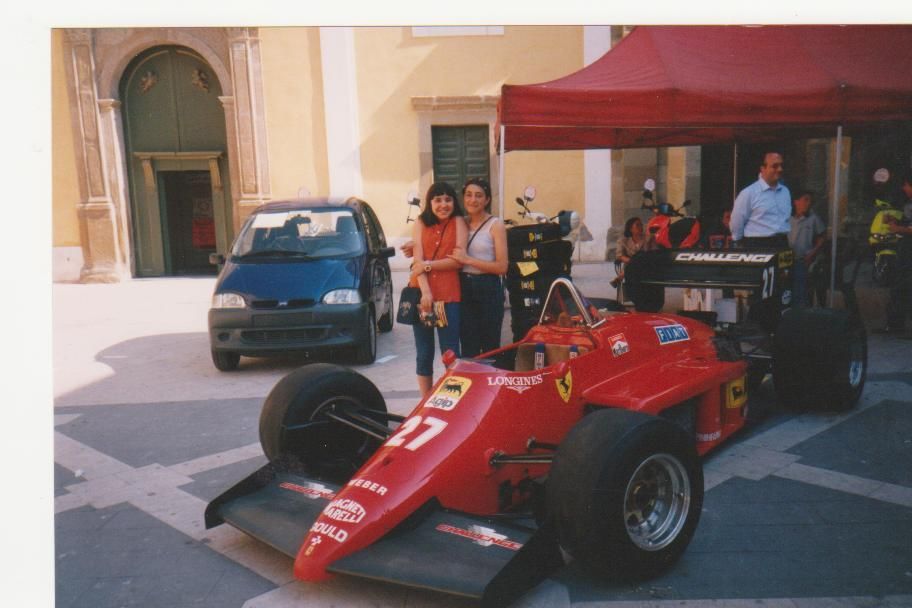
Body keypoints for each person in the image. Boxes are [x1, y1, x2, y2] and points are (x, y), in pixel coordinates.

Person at [409, 182, 467, 395]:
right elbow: (417, 260)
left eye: (448, 200)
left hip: (448, 295)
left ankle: (452, 398)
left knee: (450, 351)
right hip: (421, 295)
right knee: (424, 353)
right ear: (429, 202)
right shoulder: (420, 222)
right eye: (438, 200)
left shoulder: (458, 222)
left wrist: (428, 265)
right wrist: (425, 292)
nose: (443, 205)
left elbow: (458, 261)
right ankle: (426, 401)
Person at [446, 178, 508, 358]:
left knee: (490, 345)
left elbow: (502, 266)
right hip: (463, 288)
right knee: (468, 345)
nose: (473, 200)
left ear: (487, 200)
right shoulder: (459, 223)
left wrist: (468, 260)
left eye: (479, 196)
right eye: (469, 195)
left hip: (488, 288)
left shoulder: (495, 225)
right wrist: (414, 245)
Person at [730, 151, 792, 249]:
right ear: (762, 168)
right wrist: (738, 241)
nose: (780, 169)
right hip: (757, 244)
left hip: (782, 243)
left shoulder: (785, 191)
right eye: (775, 166)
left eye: (781, 165)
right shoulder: (749, 193)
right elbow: (736, 221)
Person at [881, 171, 912, 333]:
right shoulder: (908, 204)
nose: (904, 188)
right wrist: (895, 222)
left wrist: (897, 228)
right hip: (905, 250)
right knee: (899, 286)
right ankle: (895, 324)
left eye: (906, 185)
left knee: (904, 286)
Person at [788, 190, 826, 308]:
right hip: (787, 261)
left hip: (804, 261)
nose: (808, 203)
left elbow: (822, 238)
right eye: (805, 200)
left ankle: (803, 312)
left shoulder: (813, 219)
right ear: (796, 201)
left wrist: (812, 254)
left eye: (810, 201)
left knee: (802, 292)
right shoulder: (788, 219)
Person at [611, 217, 652, 288]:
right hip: (631, 266)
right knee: (633, 262)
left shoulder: (648, 238)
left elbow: (651, 253)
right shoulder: (623, 241)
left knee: (639, 257)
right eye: (637, 225)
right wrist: (631, 261)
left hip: (645, 265)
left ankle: (620, 277)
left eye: (641, 225)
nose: (640, 227)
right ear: (630, 229)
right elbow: (619, 255)